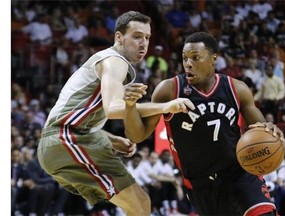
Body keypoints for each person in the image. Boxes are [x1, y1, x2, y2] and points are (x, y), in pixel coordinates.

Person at [37, 11, 193, 216]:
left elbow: (79, 115)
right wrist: (165, 106)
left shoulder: (107, 62)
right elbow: (113, 109)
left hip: (63, 142)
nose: (143, 43)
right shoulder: (115, 61)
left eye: (147, 37)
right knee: (139, 204)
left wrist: (110, 139)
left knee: (137, 205)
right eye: (137, 36)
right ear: (119, 37)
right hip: (66, 140)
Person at [123, 32, 285, 215]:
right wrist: (130, 107)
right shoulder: (169, 90)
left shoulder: (236, 89)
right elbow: (138, 135)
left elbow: (261, 129)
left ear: (213, 59)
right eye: (185, 58)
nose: (188, 63)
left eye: (195, 57)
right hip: (200, 184)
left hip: (239, 174)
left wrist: (270, 131)